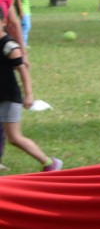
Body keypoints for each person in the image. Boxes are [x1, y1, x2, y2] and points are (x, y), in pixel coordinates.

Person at [0, 13, 62, 172]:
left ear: (3, 22)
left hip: (9, 97)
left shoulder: (8, 46)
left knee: (14, 138)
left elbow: (23, 70)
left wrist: (28, 94)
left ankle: (49, 162)